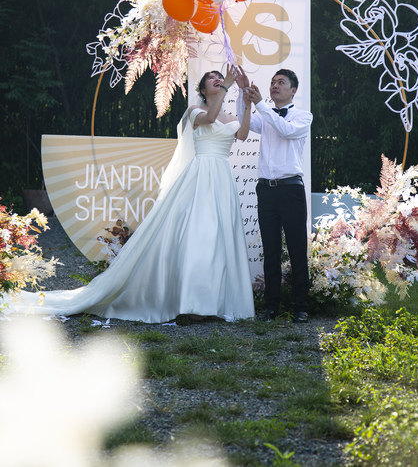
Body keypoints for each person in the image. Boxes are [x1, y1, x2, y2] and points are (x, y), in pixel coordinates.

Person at [2, 65, 255, 323]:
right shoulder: (195, 111)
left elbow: (243, 134)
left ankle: (215, 303)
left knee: (220, 237)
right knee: (201, 236)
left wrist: (246, 103)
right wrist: (227, 86)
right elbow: (210, 118)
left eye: (220, 77)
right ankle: (193, 305)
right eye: (212, 78)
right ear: (202, 89)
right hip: (200, 177)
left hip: (222, 177)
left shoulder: (228, 116)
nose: (217, 79)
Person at [236, 66, 313, 323]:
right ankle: (270, 307)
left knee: (297, 249)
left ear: (293, 90)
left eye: (281, 82)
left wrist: (260, 105)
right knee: (270, 249)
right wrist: (243, 93)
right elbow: (244, 121)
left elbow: (285, 130)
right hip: (266, 190)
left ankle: (301, 307)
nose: (274, 85)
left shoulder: (303, 116)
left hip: (291, 189)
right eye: (272, 82)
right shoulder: (266, 116)